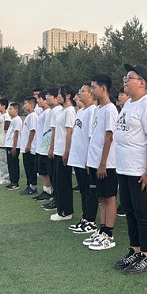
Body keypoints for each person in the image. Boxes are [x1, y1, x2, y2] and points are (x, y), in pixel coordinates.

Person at [112, 63, 147, 275]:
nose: (125, 80)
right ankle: (135, 250)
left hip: (141, 171)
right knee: (130, 211)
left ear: (142, 82)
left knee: (144, 213)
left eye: (129, 77)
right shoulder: (129, 104)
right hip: (125, 169)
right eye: (125, 77)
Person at [84, 74, 119, 250]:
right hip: (96, 161)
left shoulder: (110, 110)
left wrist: (103, 163)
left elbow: (109, 137)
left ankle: (109, 235)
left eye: (94, 87)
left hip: (107, 163)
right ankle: (103, 230)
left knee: (109, 197)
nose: (91, 91)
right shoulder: (98, 109)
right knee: (102, 197)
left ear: (103, 88)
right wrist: (91, 160)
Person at [68, 82, 98, 234]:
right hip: (77, 158)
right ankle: (85, 218)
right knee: (83, 191)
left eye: (83, 91)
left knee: (90, 191)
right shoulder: (80, 111)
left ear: (91, 94)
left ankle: (91, 221)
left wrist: (88, 159)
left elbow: (92, 137)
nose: (79, 93)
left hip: (86, 159)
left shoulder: (93, 111)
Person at [50, 85, 76, 220]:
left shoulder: (70, 111)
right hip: (58, 150)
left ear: (68, 96)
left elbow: (69, 132)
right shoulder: (61, 111)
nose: (58, 96)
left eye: (60, 94)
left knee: (64, 183)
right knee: (58, 182)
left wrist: (67, 151)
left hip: (63, 151)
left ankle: (66, 212)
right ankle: (61, 209)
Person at [33, 93, 54, 201]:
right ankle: (45, 190)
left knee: (46, 171)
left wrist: (47, 146)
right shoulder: (44, 113)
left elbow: (50, 131)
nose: (38, 100)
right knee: (42, 171)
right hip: (40, 146)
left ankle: (49, 191)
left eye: (40, 99)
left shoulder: (48, 112)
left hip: (45, 146)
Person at [19, 97, 39, 195]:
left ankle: (33, 186)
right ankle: (29, 185)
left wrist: (29, 144)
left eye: (25, 103)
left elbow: (32, 131)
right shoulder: (29, 116)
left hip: (30, 148)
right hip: (26, 147)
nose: (24, 106)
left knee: (30, 167)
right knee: (27, 167)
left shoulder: (33, 116)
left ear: (31, 105)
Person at [4, 102, 23, 190]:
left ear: (16, 110)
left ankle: (15, 182)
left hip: (13, 146)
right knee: (10, 164)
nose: (9, 111)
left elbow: (16, 133)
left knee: (13, 164)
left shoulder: (17, 120)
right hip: (10, 144)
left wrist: (14, 147)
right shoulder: (14, 119)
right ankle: (12, 181)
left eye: (11, 109)